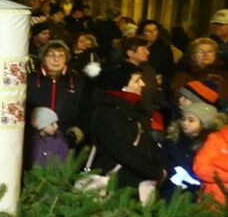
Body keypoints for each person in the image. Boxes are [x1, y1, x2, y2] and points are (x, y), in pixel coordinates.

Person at [89, 62, 165, 191]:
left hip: (135, 181)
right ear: (122, 86)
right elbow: (124, 152)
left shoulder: (134, 109)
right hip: (117, 185)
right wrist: (156, 172)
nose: (143, 84)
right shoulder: (109, 113)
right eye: (137, 80)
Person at [26, 40, 87, 146]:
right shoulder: (30, 80)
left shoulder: (77, 82)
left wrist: (78, 131)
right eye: (51, 55)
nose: (56, 59)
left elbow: (86, 110)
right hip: (35, 137)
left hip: (66, 137)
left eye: (61, 56)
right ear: (43, 58)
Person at [162, 101, 223, 202]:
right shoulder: (174, 140)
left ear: (204, 124)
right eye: (183, 119)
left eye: (191, 120)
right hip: (170, 190)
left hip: (194, 194)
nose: (185, 123)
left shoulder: (208, 146)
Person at [169, 37, 228, 107]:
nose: (205, 54)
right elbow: (177, 95)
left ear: (215, 54)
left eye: (210, 51)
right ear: (193, 56)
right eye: (200, 51)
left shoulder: (224, 73)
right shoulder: (183, 73)